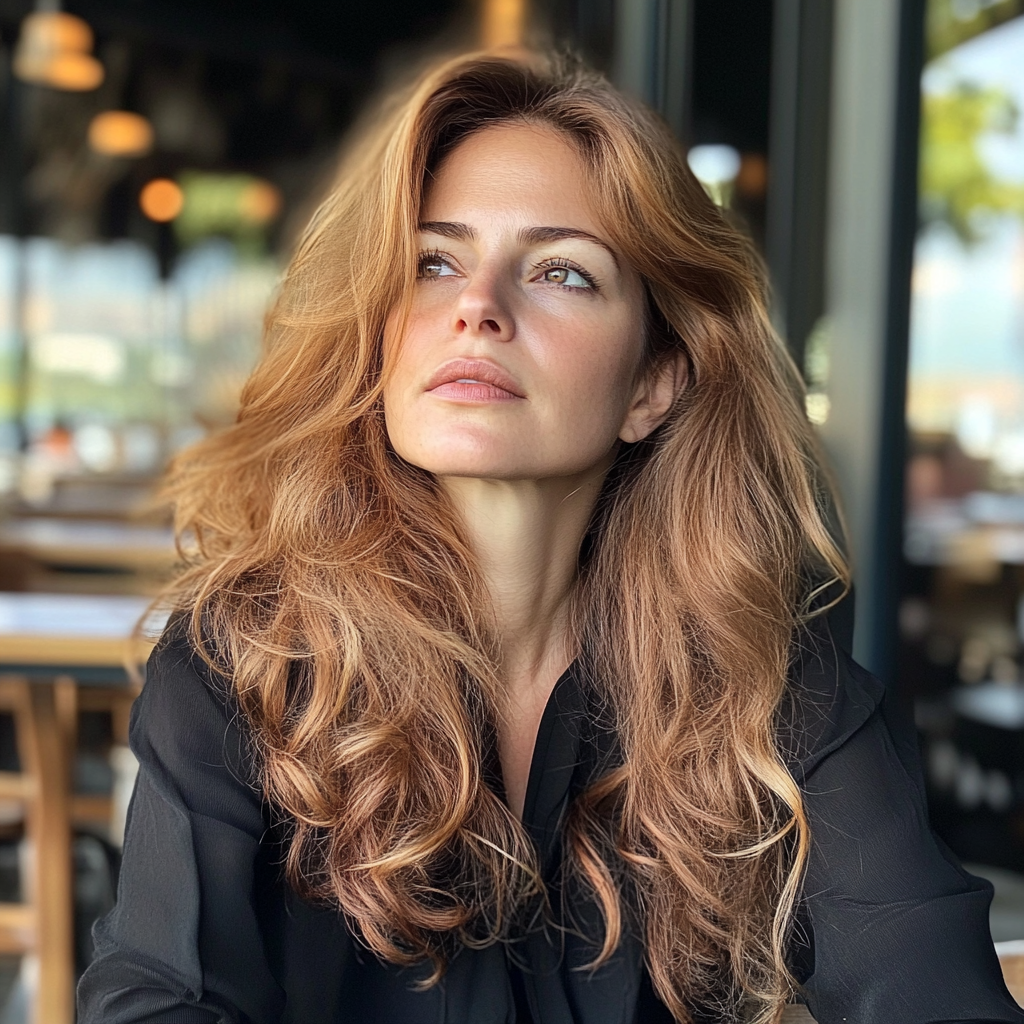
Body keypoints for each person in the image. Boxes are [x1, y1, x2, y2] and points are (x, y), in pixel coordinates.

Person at [78, 50, 1024, 1024]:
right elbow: (159, 998)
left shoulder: (769, 684)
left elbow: (929, 985)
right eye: (433, 261)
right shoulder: (249, 661)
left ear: (653, 382)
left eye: (562, 272)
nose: (476, 308)